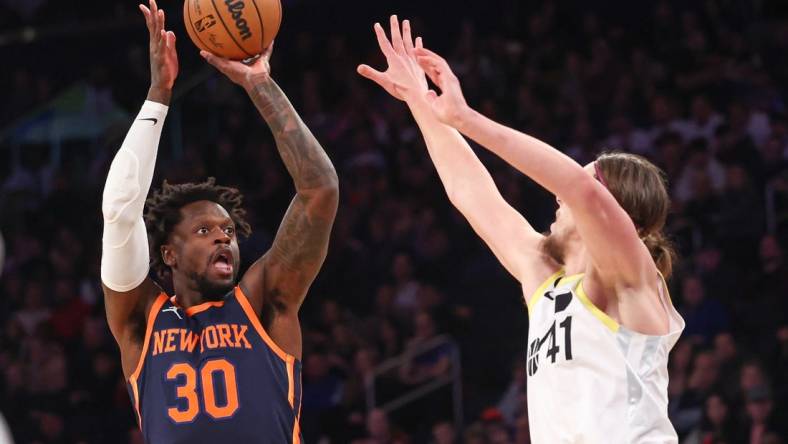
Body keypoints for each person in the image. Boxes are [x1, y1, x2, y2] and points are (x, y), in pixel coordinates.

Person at [358, 16, 684, 443]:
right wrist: (420, 100)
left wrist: (468, 118)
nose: (557, 195)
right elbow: (469, 192)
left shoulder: (633, 280)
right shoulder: (545, 278)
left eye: (574, 185)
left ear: (621, 214)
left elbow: (580, 190)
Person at [100, 1, 338, 442]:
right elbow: (119, 208)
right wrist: (158, 96)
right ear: (168, 253)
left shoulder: (264, 303)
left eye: (228, 231)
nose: (223, 239)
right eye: (205, 231)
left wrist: (261, 84)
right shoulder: (140, 321)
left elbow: (319, 190)